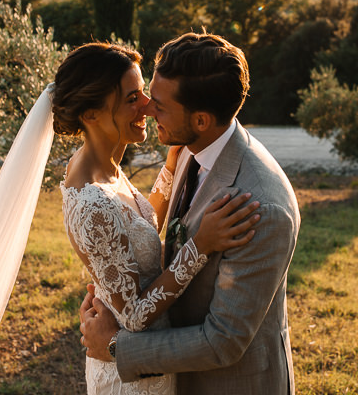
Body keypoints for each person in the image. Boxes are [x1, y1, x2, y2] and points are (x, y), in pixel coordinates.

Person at [0, 41, 258, 395]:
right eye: (132, 99)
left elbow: (137, 229)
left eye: (143, 93)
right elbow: (133, 315)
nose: (148, 106)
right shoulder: (90, 202)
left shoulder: (103, 167)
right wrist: (199, 246)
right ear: (91, 114)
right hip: (131, 380)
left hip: (150, 362)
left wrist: (169, 168)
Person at [80, 32, 301, 394]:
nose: (148, 108)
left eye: (161, 106)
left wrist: (117, 346)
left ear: (201, 120)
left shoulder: (261, 207)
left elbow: (223, 341)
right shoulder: (190, 149)